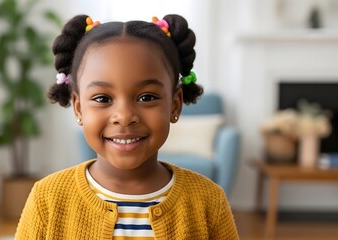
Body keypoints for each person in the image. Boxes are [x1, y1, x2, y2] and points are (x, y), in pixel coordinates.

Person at [15, 14, 238, 239]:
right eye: (102, 98)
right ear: (78, 108)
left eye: (146, 97)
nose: (124, 117)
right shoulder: (47, 199)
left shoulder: (209, 201)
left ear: (175, 105)